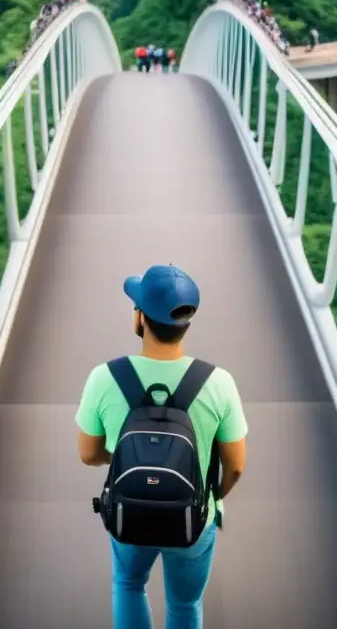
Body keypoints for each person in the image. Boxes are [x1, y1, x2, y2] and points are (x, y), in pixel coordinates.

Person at [76, 265, 248, 629]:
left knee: (128, 585)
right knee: (186, 604)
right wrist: (213, 493)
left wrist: (124, 456)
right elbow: (236, 465)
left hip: (130, 509)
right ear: (187, 321)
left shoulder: (104, 378)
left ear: (140, 318)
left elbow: (88, 453)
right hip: (194, 515)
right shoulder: (219, 383)